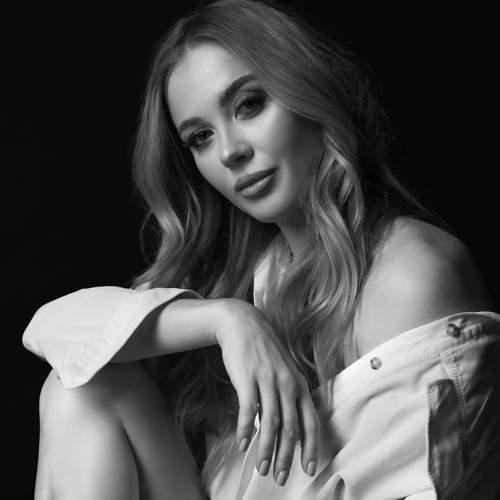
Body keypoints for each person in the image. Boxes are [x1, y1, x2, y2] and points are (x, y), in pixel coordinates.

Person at [23, 0, 500, 499]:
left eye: (248, 104)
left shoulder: (408, 277)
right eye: (201, 137)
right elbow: (52, 331)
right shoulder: (261, 276)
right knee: (82, 389)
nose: (230, 151)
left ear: (307, 90)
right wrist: (226, 320)